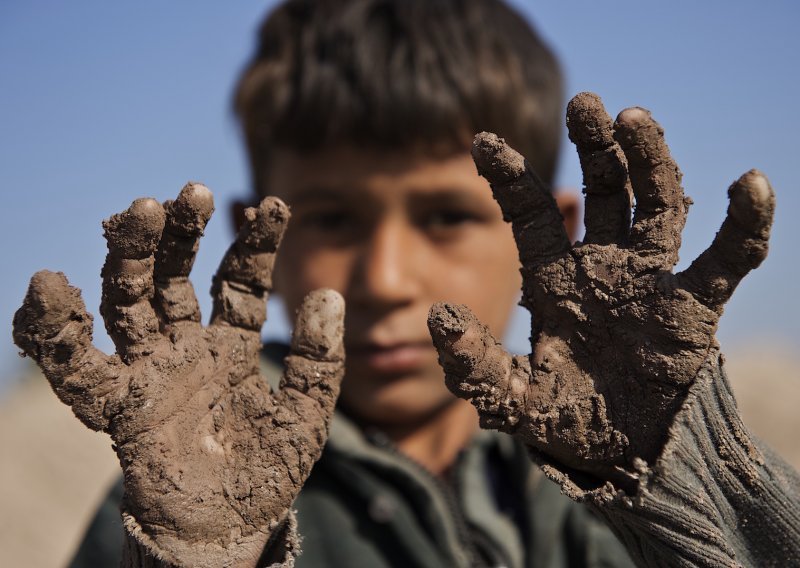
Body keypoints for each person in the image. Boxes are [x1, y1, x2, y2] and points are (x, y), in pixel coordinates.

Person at [12, 1, 799, 567]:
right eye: (333, 219)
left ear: (553, 233)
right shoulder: (185, 484)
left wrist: (686, 467)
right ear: (262, 239)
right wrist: (201, 554)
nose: (384, 280)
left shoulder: (612, 481)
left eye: (447, 217)